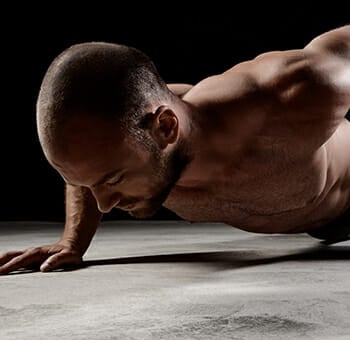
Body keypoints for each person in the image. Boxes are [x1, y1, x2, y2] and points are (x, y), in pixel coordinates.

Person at [1, 25, 349, 275]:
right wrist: (72, 242)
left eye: (115, 178)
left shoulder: (295, 91)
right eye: (92, 182)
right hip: (316, 225)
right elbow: (85, 170)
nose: (105, 204)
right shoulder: (124, 136)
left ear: (166, 127)